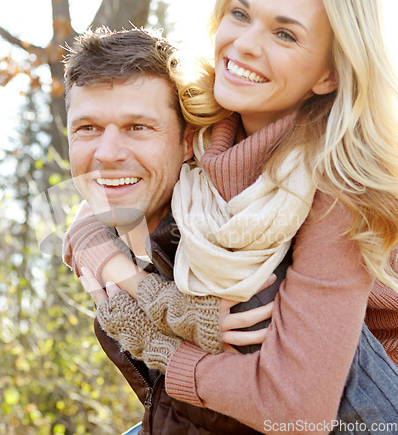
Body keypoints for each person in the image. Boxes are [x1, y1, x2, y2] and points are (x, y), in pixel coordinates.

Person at [68, 0, 398, 433]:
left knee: (252, 290)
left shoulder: (340, 185)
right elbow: (100, 188)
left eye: (285, 34)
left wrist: (166, 349)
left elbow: (296, 409)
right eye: (240, 14)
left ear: (328, 73)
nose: (244, 45)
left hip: (363, 403)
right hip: (239, 398)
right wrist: (136, 283)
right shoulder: (203, 115)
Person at [63, 27, 277, 434]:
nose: (106, 155)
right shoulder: (124, 236)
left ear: (186, 141)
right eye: (87, 128)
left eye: (137, 127)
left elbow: (264, 416)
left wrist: (153, 335)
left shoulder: (223, 243)